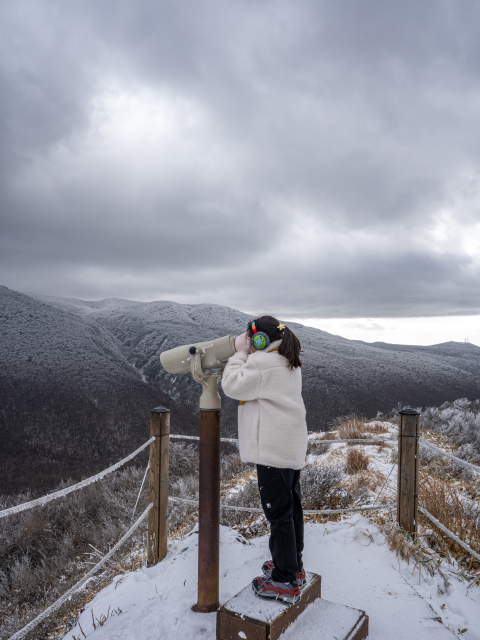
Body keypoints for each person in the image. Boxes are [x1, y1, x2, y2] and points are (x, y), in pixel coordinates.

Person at [222, 316, 308, 605]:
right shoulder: (287, 359)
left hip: (272, 450)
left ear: (261, 341)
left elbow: (232, 385)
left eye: (252, 339)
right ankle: (293, 565)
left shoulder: (261, 364)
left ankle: (285, 580)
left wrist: (239, 353)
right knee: (291, 507)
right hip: (290, 448)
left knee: (278, 515)